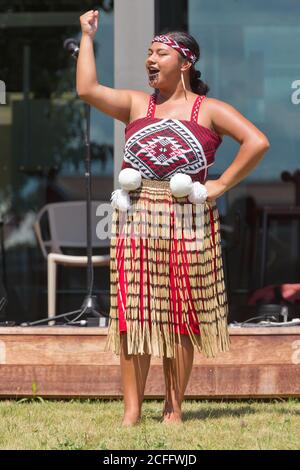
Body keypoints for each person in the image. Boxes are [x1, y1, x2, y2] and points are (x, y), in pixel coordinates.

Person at [77, 9, 270, 427]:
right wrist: (88, 36)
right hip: (138, 215)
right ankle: (132, 413)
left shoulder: (208, 110)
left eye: (160, 53)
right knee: (135, 314)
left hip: (189, 220)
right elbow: (87, 89)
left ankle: (173, 407)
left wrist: (220, 185)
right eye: (148, 52)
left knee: (181, 314)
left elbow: (257, 142)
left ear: (185, 63)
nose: (150, 59)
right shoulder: (134, 104)